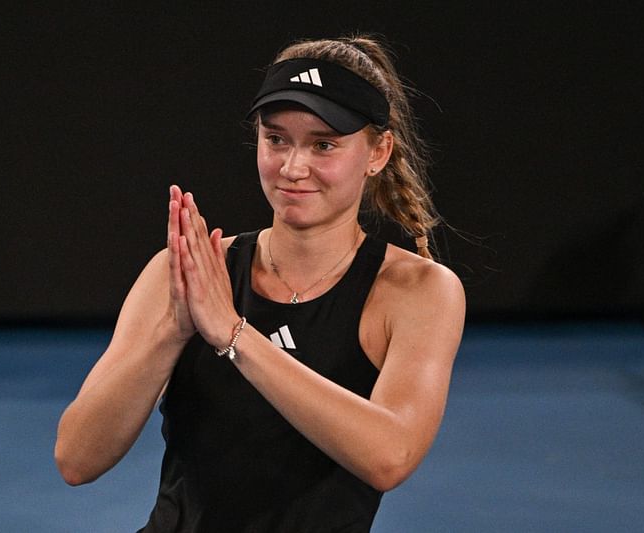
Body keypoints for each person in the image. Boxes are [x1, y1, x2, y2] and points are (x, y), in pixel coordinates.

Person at [55, 34, 465, 532]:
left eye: (324, 144)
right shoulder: (184, 273)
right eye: (276, 139)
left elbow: (390, 456)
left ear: (378, 152)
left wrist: (233, 334)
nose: (293, 168)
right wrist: (173, 331)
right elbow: (77, 459)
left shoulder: (419, 291)